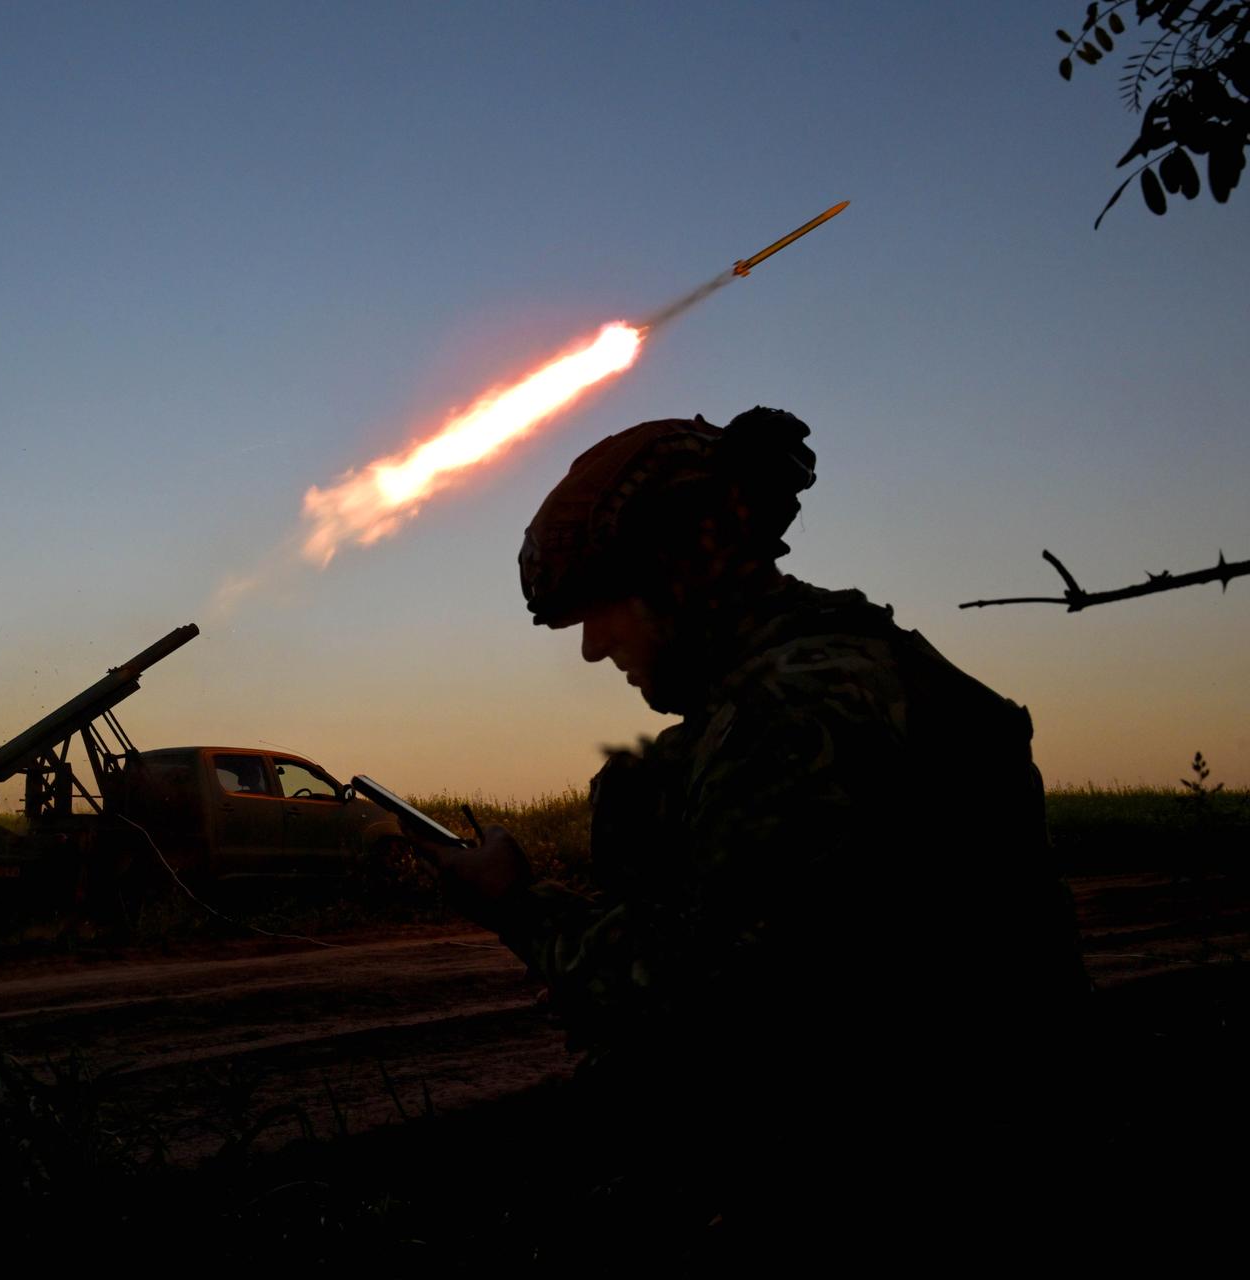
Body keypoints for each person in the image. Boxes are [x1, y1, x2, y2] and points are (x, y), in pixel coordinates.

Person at [434, 408, 1088, 1255]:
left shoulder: (790, 715)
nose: (596, 647)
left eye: (607, 608)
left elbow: (709, 996)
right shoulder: (854, 662)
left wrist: (517, 905)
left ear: (679, 571)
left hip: (907, 1192)